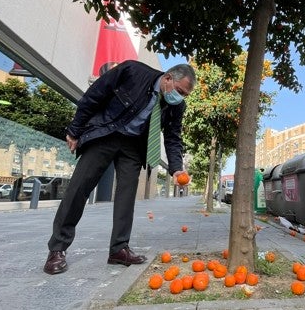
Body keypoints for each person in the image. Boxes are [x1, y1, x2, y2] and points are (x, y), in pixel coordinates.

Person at [43, 60, 196, 275]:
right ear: (168, 78)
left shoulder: (176, 105)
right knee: (78, 190)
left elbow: (173, 137)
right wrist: (75, 130)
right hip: (107, 133)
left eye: (185, 95)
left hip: (134, 146)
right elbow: (95, 94)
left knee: (126, 198)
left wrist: (177, 168)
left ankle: (118, 249)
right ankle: (57, 249)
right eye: (180, 91)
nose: (180, 98)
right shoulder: (133, 71)